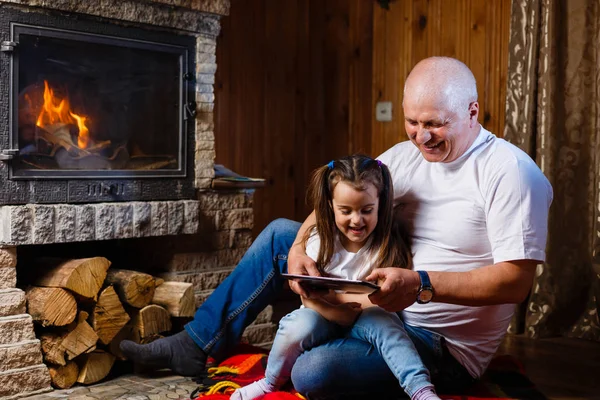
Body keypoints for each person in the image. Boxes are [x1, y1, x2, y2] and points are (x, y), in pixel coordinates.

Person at [120, 56, 553, 399]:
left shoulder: (510, 172)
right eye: (413, 122)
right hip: (374, 298)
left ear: (473, 111)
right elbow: (339, 196)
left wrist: (421, 284)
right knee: (279, 234)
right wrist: (300, 249)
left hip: (440, 343)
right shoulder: (402, 156)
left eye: (435, 124)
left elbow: (516, 283)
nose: (421, 137)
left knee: (314, 373)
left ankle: (332, 355)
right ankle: (193, 345)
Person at [231, 154, 440, 400]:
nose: (356, 219)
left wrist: (350, 309)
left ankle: (420, 389)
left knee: (388, 327)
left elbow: (385, 297)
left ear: (380, 205)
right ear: (330, 206)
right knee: (296, 325)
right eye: (345, 210)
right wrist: (336, 312)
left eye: (367, 210)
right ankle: (269, 381)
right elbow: (308, 296)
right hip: (321, 314)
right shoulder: (319, 240)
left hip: (368, 317)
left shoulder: (387, 244)